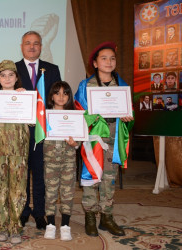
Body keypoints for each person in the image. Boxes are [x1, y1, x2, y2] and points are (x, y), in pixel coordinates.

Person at [74, 42, 134, 237]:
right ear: (95, 63)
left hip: (115, 136)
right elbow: (78, 111)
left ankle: (107, 217)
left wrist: (127, 117)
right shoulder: (86, 85)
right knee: (92, 175)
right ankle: (90, 215)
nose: (109, 62)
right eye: (104, 58)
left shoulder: (122, 85)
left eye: (112, 58)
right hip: (94, 137)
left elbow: (129, 113)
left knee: (109, 177)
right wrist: (93, 116)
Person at [15, 30, 62, 230]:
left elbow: (59, 99)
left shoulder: (52, 69)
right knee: (23, 174)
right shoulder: (12, 69)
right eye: (28, 43)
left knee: (41, 174)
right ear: (21, 46)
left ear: (41, 46)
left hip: (44, 131)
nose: (32, 47)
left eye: (36, 43)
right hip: (20, 132)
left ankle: (40, 213)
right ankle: (24, 211)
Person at [0, 60, 29, 244]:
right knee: (1, 190)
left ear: (16, 78)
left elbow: (33, 123)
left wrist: (27, 100)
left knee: (18, 191)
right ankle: (3, 227)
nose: (7, 78)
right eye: (3, 75)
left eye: (11, 75)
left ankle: (15, 228)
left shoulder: (25, 96)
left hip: (19, 151)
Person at [43, 81, 79, 241]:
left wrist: (75, 144)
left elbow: (79, 140)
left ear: (69, 96)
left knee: (67, 192)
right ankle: (50, 224)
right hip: (50, 162)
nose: (61, 97)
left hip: (68, 161)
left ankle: (65, 225)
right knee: (50, 193)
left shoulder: (75, 115)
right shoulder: (44, 115)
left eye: (65, 93)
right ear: (51, 96)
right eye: (57, 93)